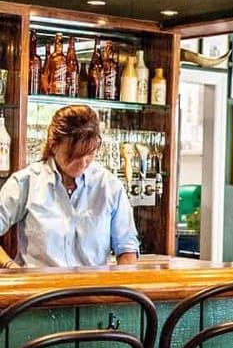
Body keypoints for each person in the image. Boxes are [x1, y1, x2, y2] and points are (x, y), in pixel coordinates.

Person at [0, 104, 139, 268]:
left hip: (94, 288)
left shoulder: (109, 187)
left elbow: (127, 247)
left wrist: (120, 283)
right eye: (74, 155)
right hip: (41, 291)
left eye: (89, 153)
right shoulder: (26, 183)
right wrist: (10, 267)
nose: (82, 162)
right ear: (53, 145)